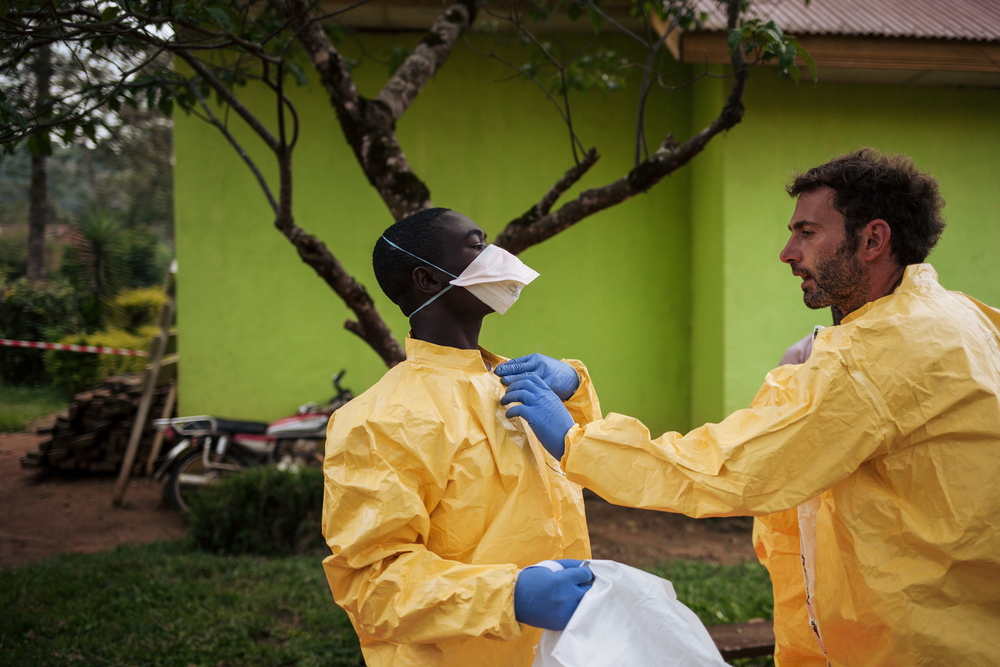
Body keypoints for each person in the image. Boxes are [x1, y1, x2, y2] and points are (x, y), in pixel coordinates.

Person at [498, 149, 1000, 666]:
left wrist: (578, 441)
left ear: (873, 240)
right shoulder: (962, 317)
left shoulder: (879, 352)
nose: (787, 252)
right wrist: (580, 397)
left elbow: (738, 465)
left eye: (807, 233)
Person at [320, 208, 600, 667]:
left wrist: (575, 389)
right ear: (428, 279)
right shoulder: (378, 420)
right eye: (476, 246)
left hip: (554, 650)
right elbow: (372, 583)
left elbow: (586, 464)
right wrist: (508, 596)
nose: (496, 256)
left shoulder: (514, 382)